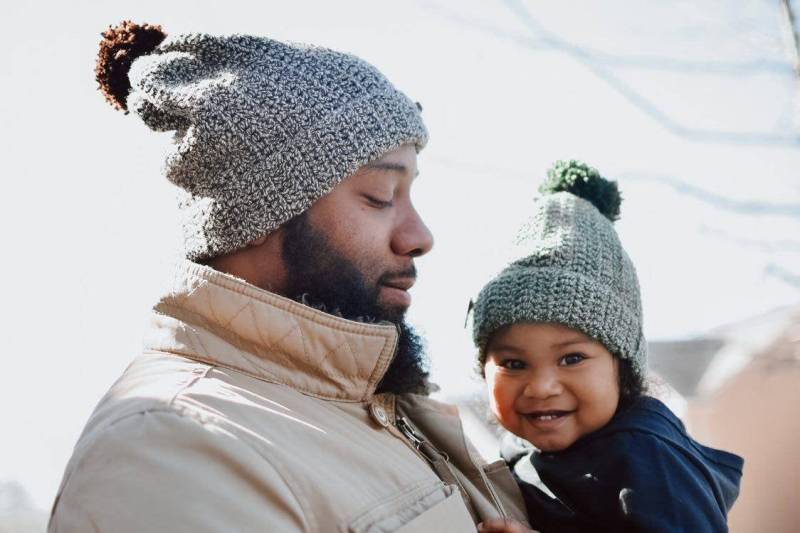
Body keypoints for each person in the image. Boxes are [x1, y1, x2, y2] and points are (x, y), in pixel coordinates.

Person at [49, 21, 529, 532]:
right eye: (380, 197)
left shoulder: (381, 408)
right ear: (257, 214)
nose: (420, 236)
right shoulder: (170, 448)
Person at [470, 161, 744, 532]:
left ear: (622, 367)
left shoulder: (646, 456)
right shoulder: (514, 453)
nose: (541, 387)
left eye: (571, 358)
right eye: (514, 364)